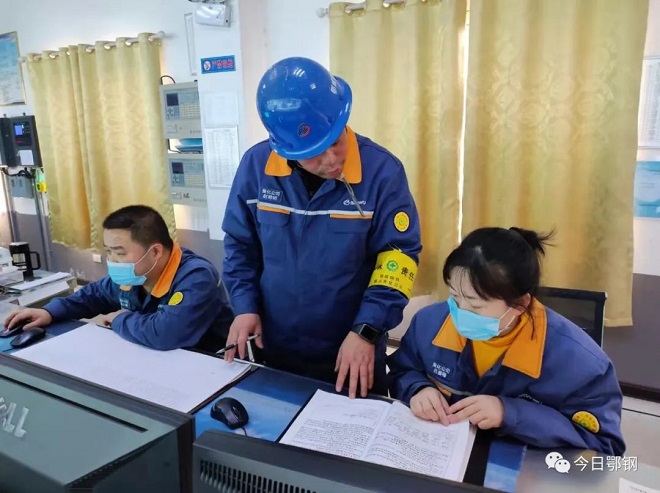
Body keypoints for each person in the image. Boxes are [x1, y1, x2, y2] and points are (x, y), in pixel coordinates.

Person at [222, 57, 422, 398]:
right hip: (275, 344)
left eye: (336, 140)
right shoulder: (256, 168)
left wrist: (367, 330)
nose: (332, 159)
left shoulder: (382, 172)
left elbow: (398, 258)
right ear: (284, 148)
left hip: (352, 350)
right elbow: (240, 245)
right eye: (315, 152)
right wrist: (244, 307)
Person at [387, 227, 625, 455]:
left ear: (520, 304)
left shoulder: (581, 363)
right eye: (455, 297)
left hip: (524, 469)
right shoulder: (429, 323)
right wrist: (418, 388)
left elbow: (605, 446)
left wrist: (509, 413)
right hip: (443, 456)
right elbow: (403, 369)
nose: (460, 312)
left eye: (475, 305)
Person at [5, 205, 234, 352]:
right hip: (152, 358)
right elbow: (93, 295)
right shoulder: (135, 276)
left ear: (155, 251)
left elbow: (166, 333)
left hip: (207, 367)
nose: (112, 260)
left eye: (120, 253)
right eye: (109, 252)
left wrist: (120, 320)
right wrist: (50, 312)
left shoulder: (196, 277)